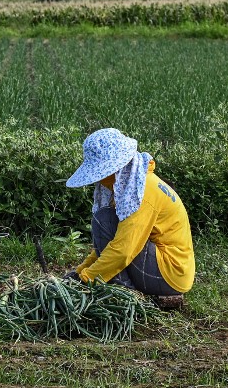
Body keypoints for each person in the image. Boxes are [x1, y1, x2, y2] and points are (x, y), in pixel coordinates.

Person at [65, 128, 194, 310]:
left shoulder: (141, 193)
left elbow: (123, 249)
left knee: (104, 220)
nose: (100, 180)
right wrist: (80, 271)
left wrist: (87, 279)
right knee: (107, 220)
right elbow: (111, 242)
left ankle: (126, 294)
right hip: (169, 270)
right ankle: (118, 284)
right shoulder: (133, 185)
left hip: (169, 274)